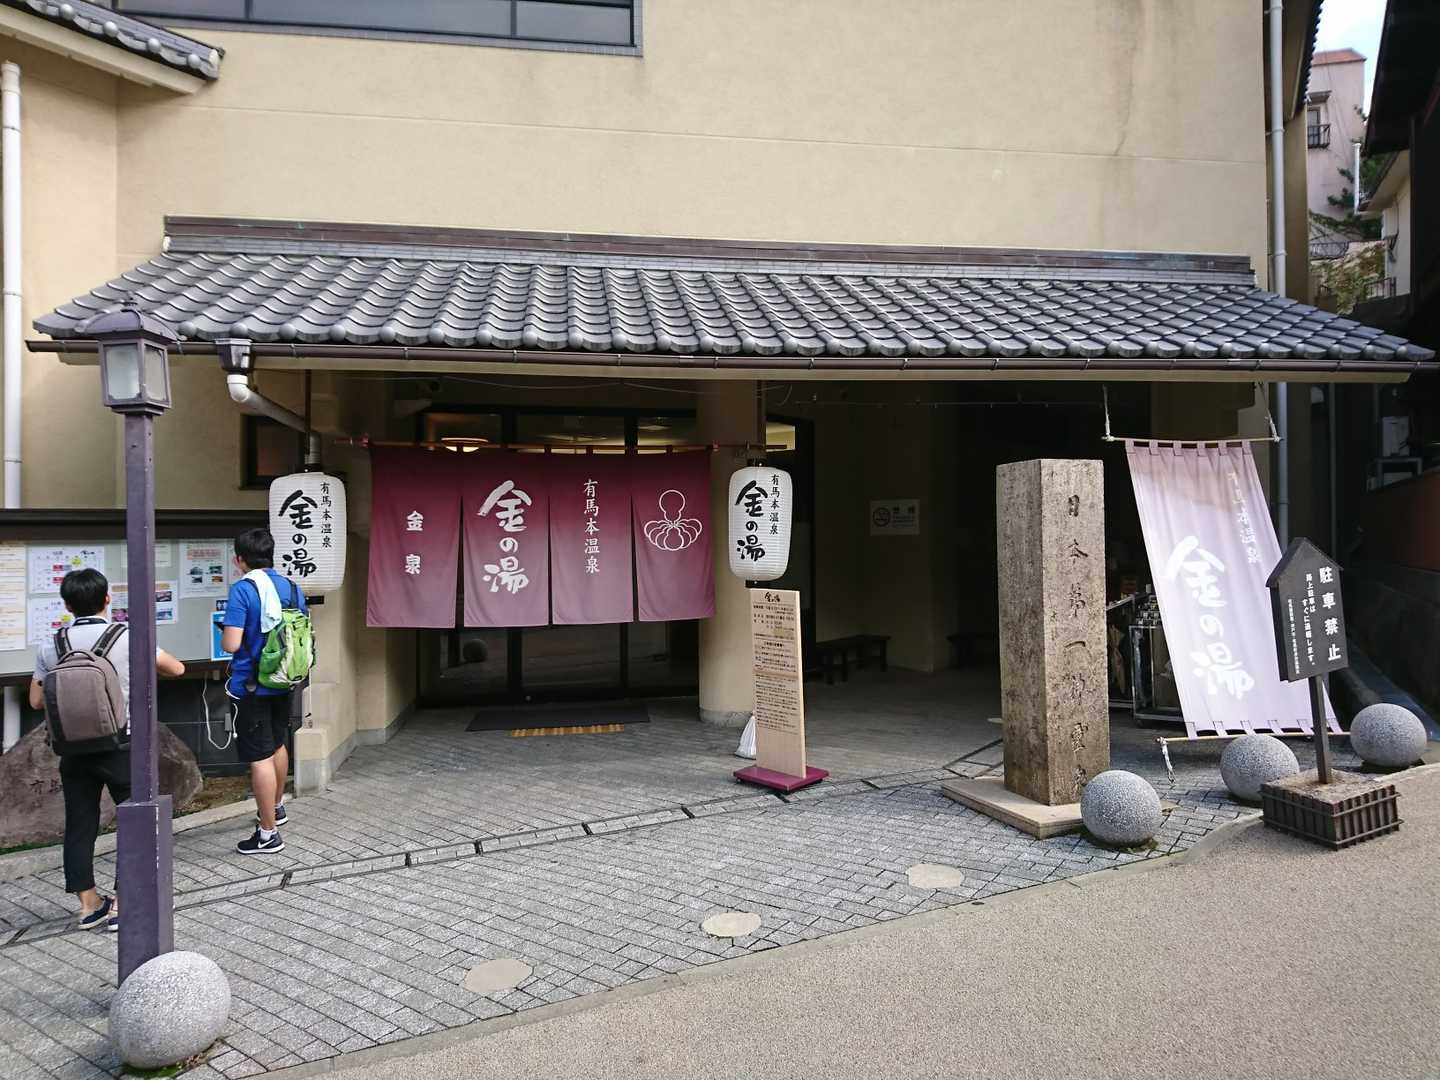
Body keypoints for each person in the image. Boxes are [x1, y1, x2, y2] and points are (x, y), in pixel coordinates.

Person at [29, 568, 185, 930]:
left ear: (67, 605)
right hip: (121, 745)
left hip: (72, 749)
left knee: (79, 824)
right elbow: (176, 669)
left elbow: (36, 700)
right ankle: (123, 905)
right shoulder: (127, 636)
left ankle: (89, 905)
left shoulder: (52, 645)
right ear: (107, 599)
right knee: (135, 820)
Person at [222, 527, 306, 855]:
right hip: (284, 680)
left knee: (259, 757)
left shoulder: (243, 590)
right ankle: (277, 807)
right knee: (278, 743)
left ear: (239, 559)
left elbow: (232, 643)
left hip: (252, 685)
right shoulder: (292, 588)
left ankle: (268, 834)